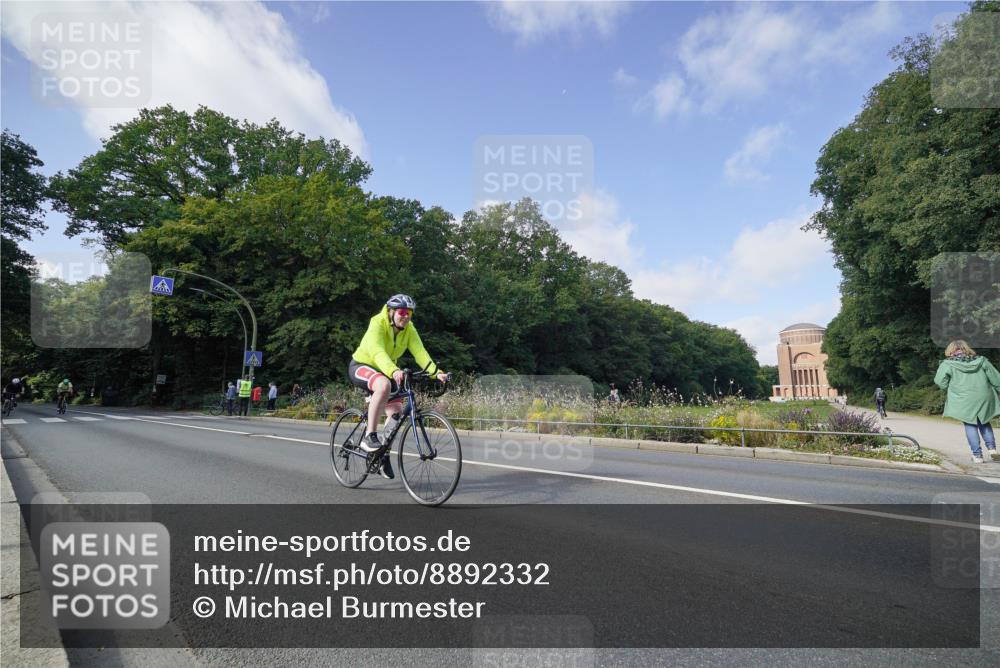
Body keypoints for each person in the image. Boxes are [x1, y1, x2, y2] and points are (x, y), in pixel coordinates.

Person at [348, 294, 448, 479]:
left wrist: (436, 373)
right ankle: (370, 436)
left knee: (396, 411)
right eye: (402, 312)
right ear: (391, 311)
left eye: (410, 313)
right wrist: (393, 370)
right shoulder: (377, 323)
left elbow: (420, 352)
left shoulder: (409, 329)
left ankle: (382, 454)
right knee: (384, 384)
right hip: (362, 365)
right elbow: (377, 351)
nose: (406, 316)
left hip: (387, 369)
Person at [934, 340, 1000, 464]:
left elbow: (940, 381)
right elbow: (996, 378)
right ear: (967, 348)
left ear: (950, 350)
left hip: (963, 398)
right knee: (985, 421)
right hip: (984, 395)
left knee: (970, 424)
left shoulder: (948, 364)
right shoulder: (982, 360)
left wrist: (950, 388)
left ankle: (977, 456)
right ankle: (992, 449)